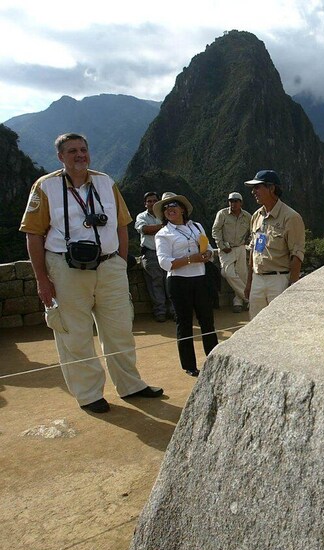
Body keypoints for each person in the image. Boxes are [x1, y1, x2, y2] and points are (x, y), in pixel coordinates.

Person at [19, 133, 163, 413]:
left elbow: (122, 225)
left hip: (109, 265)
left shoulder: (105, 182)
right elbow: (33, 234)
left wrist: (120, 261)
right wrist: (42, 279)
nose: (80, 155)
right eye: (72, 151)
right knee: (75, 334)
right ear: (60, 157)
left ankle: (130, 384)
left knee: (120, 329)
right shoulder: (45, 187)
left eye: (83, 149)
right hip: (66, 269)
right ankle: (89, 394)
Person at [154, 193, 219, 377]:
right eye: (165, 207)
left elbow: (209, 248)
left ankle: (213, 359)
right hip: (179, 281)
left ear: (183, 208)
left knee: (207, 320)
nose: (169, 209)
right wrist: (192, 259)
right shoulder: (163, 234)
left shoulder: (196, 226)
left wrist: (208, 255)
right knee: (184, 323)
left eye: (173, 205)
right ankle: (190, 365)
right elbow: (165, 263)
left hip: (201, 278)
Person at [243, 170, 305, 319]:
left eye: (257, 187)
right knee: (256, 325)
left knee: (279, 325)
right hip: (258, 280)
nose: (253, 192)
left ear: (271, 188)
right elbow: (253, 250)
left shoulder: (290, 217)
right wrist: (249, 282)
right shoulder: (256, 216)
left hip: (279, 281)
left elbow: (296, 254)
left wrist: (292, 287)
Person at [135, 191, 174, 322]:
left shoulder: (164, 213)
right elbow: (144, 229)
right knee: (156, 283)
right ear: (145, 204)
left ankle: (173, 310)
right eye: (149, 201)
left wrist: (157, 228)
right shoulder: (142, 216)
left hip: (168, 252)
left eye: (154, 201)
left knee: (170, 281)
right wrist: (163, 226)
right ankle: (160, 311)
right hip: (151, 253)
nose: (152, 203)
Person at [212, 191, 251, 313]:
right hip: (226, 248)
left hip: (240, 247)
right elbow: (216, 230)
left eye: (235, 201)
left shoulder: (247, 216)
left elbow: (253, 231)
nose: (233, 203)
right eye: (231, 201)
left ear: (241, 203)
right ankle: (249, 298)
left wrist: (248, 243)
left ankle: (238, 302)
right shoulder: (222, 214)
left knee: (242, 274)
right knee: (228, 273)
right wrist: (221, 245)